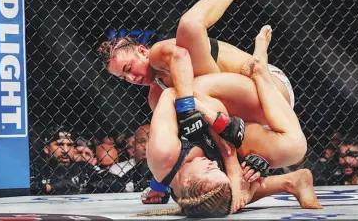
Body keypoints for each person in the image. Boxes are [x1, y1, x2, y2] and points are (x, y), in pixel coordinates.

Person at [97, 0, 306, 169]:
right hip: (252, 120)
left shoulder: (159, 53)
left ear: (141, 51)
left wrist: (187, 106)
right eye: (123, 78)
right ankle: (289, 181)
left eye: (128, 69)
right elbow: (186, 137)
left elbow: (180, 54)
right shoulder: (156, 96)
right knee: (220, 154)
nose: (131, 79)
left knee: (187, 34)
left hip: (269, 88)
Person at [137, 29, 322, 217]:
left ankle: (259, 70)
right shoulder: (203, 192)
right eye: (219, 171)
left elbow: (170, 94)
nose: (213, 166)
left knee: (196, 94)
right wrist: (249, 173)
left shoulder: (164, 153)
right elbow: (225, 175)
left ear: (185, 183)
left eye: (209, 169)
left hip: (226, 91)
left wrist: (232, 164)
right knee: (294, 148)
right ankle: (292, 181)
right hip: (229, 127)